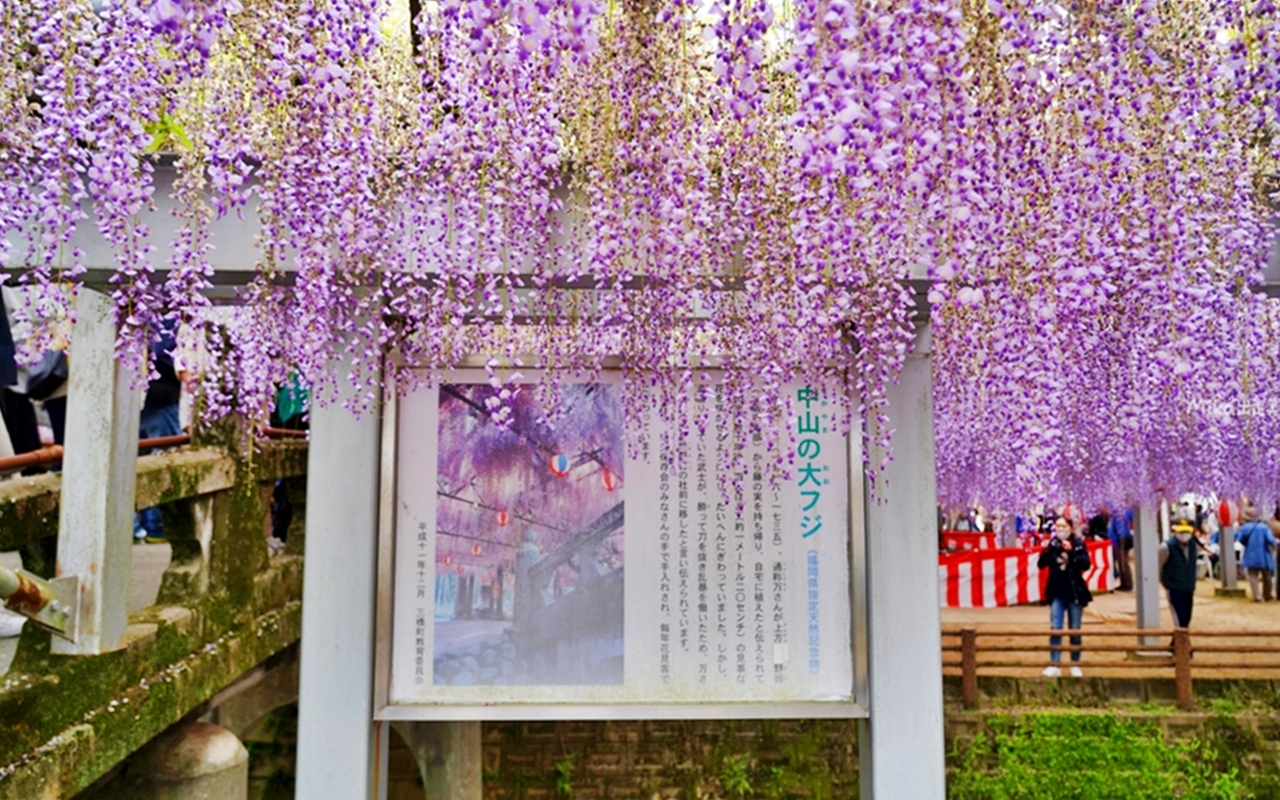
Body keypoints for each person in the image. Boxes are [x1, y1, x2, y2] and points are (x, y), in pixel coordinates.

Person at [1038, 516, 1092, 677]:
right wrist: (1046, 550)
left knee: (1075, 630)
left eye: (1063, 526)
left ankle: (1075, 664)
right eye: (1057, 526)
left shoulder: (1078, 544)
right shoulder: (1053, 545)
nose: (1060, 529)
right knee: (1056, 629)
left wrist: (1072, 552)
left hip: (1074, 594)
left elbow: (1085, 564)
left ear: (1070, 527)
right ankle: (1055, 664)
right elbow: (1041, 565)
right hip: (1057, 593)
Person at [1159, 516, 1200, 628]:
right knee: (1179, 619)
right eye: (1181, 530)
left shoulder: (1194, 546)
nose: (1184, 534)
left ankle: (1177, 643)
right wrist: (1166, 583)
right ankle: (1181, 642)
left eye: (1186, 531)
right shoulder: (1166, 547)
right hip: (1174, 587)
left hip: (1188, 587)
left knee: (1186, 618)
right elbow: (1159, 566)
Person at [1237, 503, 1276, 602]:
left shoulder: (1245, 527)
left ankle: (1257, 596)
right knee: (1267, 575)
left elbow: (1240, 539)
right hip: (1264, 554)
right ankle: (1267, 595)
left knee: (1253, 575)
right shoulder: (1264, 527)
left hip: (1250, 554)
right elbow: (1270, 540)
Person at [1108, 507, 1134, 591]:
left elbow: (1119, 526)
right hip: (1121, 538)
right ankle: (1124, 583)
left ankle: (1127, 584)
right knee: (1122, 562)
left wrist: (1120, 538)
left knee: (1123, 562)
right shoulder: (1127, 509)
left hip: (1120, 539)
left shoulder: (1119, 511)